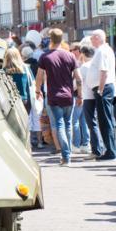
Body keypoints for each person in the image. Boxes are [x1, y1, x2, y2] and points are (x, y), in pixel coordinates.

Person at [36, 28, 80, 165]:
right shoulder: (70, 56)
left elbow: (39, 76)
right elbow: (78, 78)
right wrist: (80, 95)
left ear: (50, 39)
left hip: (53, 96)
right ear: (62, 40)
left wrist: (37, 90)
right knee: (68, 124)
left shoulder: (45, 57)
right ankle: (68, 154)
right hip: (68, 95)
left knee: (59, 125)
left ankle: (66, 156)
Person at [87, 30, 116, 160]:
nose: (91, 41)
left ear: (99, 38)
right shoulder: (103, 50)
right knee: (106, 119)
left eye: (93, 38)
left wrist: (100, 89)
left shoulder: (102, 51)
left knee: (105, 120)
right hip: (104, 88)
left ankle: (110, 151)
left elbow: (104, 71)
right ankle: (110, 149)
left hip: (104, 88)